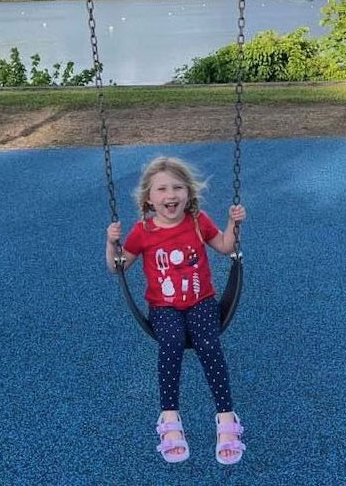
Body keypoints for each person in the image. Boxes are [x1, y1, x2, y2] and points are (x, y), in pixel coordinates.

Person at [105, 156, 246, 465]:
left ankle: (226, 418)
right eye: (162, 189)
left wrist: (233, 224)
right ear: (148, 198)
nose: (170, 195)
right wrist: (110, 243)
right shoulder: (142, 231)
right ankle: (169, 420)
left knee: (209, 345)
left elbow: (224, 246)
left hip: (202, 302)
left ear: (188, 193)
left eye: (178, 187)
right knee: (170, 345)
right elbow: (119, 267)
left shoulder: (197, 221)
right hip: (164, 307)